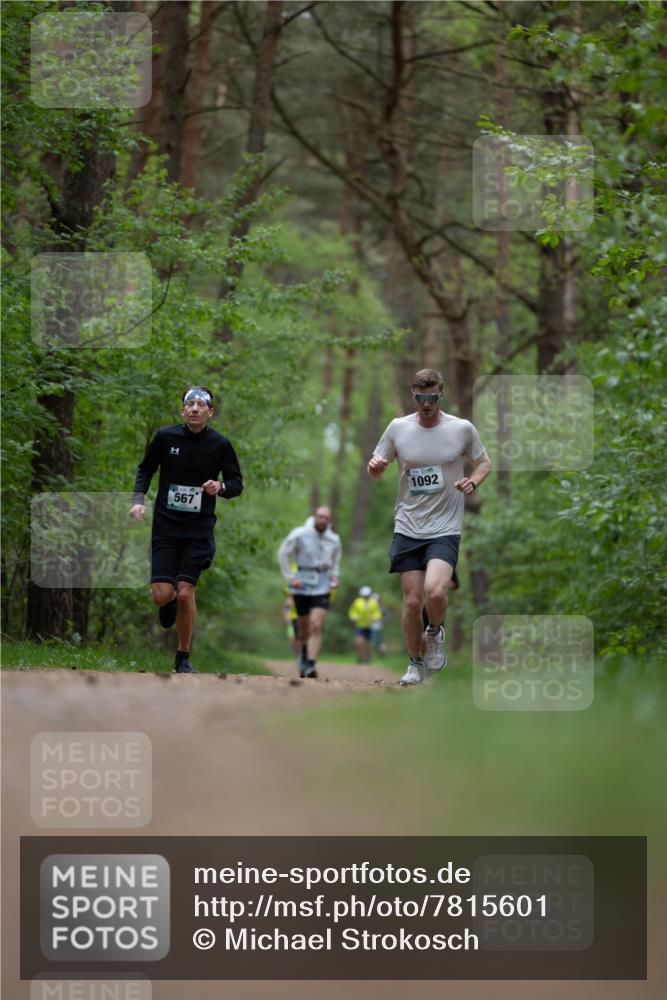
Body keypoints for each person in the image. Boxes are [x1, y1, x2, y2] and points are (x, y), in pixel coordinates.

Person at [367, 369, 491, 686]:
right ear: (413, 395)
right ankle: (414, 664)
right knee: (411, 602)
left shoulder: (461, 429)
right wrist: (375, 467)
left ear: (441, 394)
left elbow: (484, 462)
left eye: (431, 397)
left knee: (435, 591)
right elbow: (376, 466)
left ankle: (434, 632)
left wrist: (473, 482)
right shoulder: (398, 428)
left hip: (445, 526)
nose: (426, 404)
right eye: (420, 398)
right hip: (408, 524)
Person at [129, 386, 243, 673]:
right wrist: (138, 501)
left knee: (184, 592)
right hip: (166, 527)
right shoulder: (166, 437)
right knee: (161, 594)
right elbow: (146, 469)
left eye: (200, 404)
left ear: (210, 412)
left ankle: (182, 656)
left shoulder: (220, 444)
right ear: (182, 411)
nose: (194, 408)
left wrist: (221, 487)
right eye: (189, 404)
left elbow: (236, 483)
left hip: (198, 529)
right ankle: (165, 602)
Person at [277, 507, 341, 679]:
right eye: (320, 516)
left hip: (323, 583)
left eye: (326, 517)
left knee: (316, 624)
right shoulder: (299, 533)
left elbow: (336, 561)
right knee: (304, 628)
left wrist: (335, 576)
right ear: (315, 517)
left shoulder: (334, 539)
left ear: (329, 520)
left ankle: (311, 665)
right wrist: (290, 578)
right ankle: (304, 657)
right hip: (302, 583)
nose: (323, 520)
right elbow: (283, 553)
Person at [348, 586, 382, 663]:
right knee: (359, 641)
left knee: (369, 643)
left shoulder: (373, 603)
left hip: (371, 626)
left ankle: (368, 657)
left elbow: (378, 613)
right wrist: (354, 617)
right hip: (360, 625)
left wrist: (374, 617)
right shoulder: (357, 602)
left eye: (367, 595)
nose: (365, 597)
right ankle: (361, 656)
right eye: (364, 595)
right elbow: (352, 611)